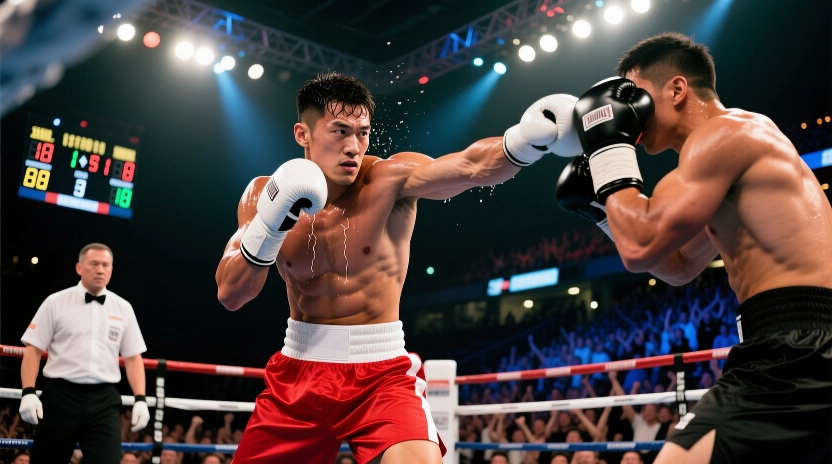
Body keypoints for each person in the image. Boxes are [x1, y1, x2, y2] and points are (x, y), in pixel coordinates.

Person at [215, 72, 583, 463]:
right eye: (340, 132)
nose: (353, 147)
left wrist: (525, 140)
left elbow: (470, 166)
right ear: (302, 134)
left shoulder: (388, 180)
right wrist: (271, 225)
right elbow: (231, 294)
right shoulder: (263, 194)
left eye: (362, 133)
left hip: (381, 373)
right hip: (299, 372)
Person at [558, 32, 832, 463]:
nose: (631, 111)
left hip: (798, 345)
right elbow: (680, 266)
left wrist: (608, 148)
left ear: (677, 89)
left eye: (636, 95)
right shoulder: (731, 152)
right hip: (791, 342)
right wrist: (603, 214)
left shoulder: (725, 135)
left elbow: (640, 246)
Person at [19, 243, 150, 463]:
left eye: (106, 265)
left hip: (104, 401)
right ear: (79, 268)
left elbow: (133, 357)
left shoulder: (123, 307)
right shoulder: (56, 302)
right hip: (61, 397)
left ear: (112, 269)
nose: (100, 270)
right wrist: (28, 392)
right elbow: (33, 349)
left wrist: (141, 399)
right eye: (94, 264)